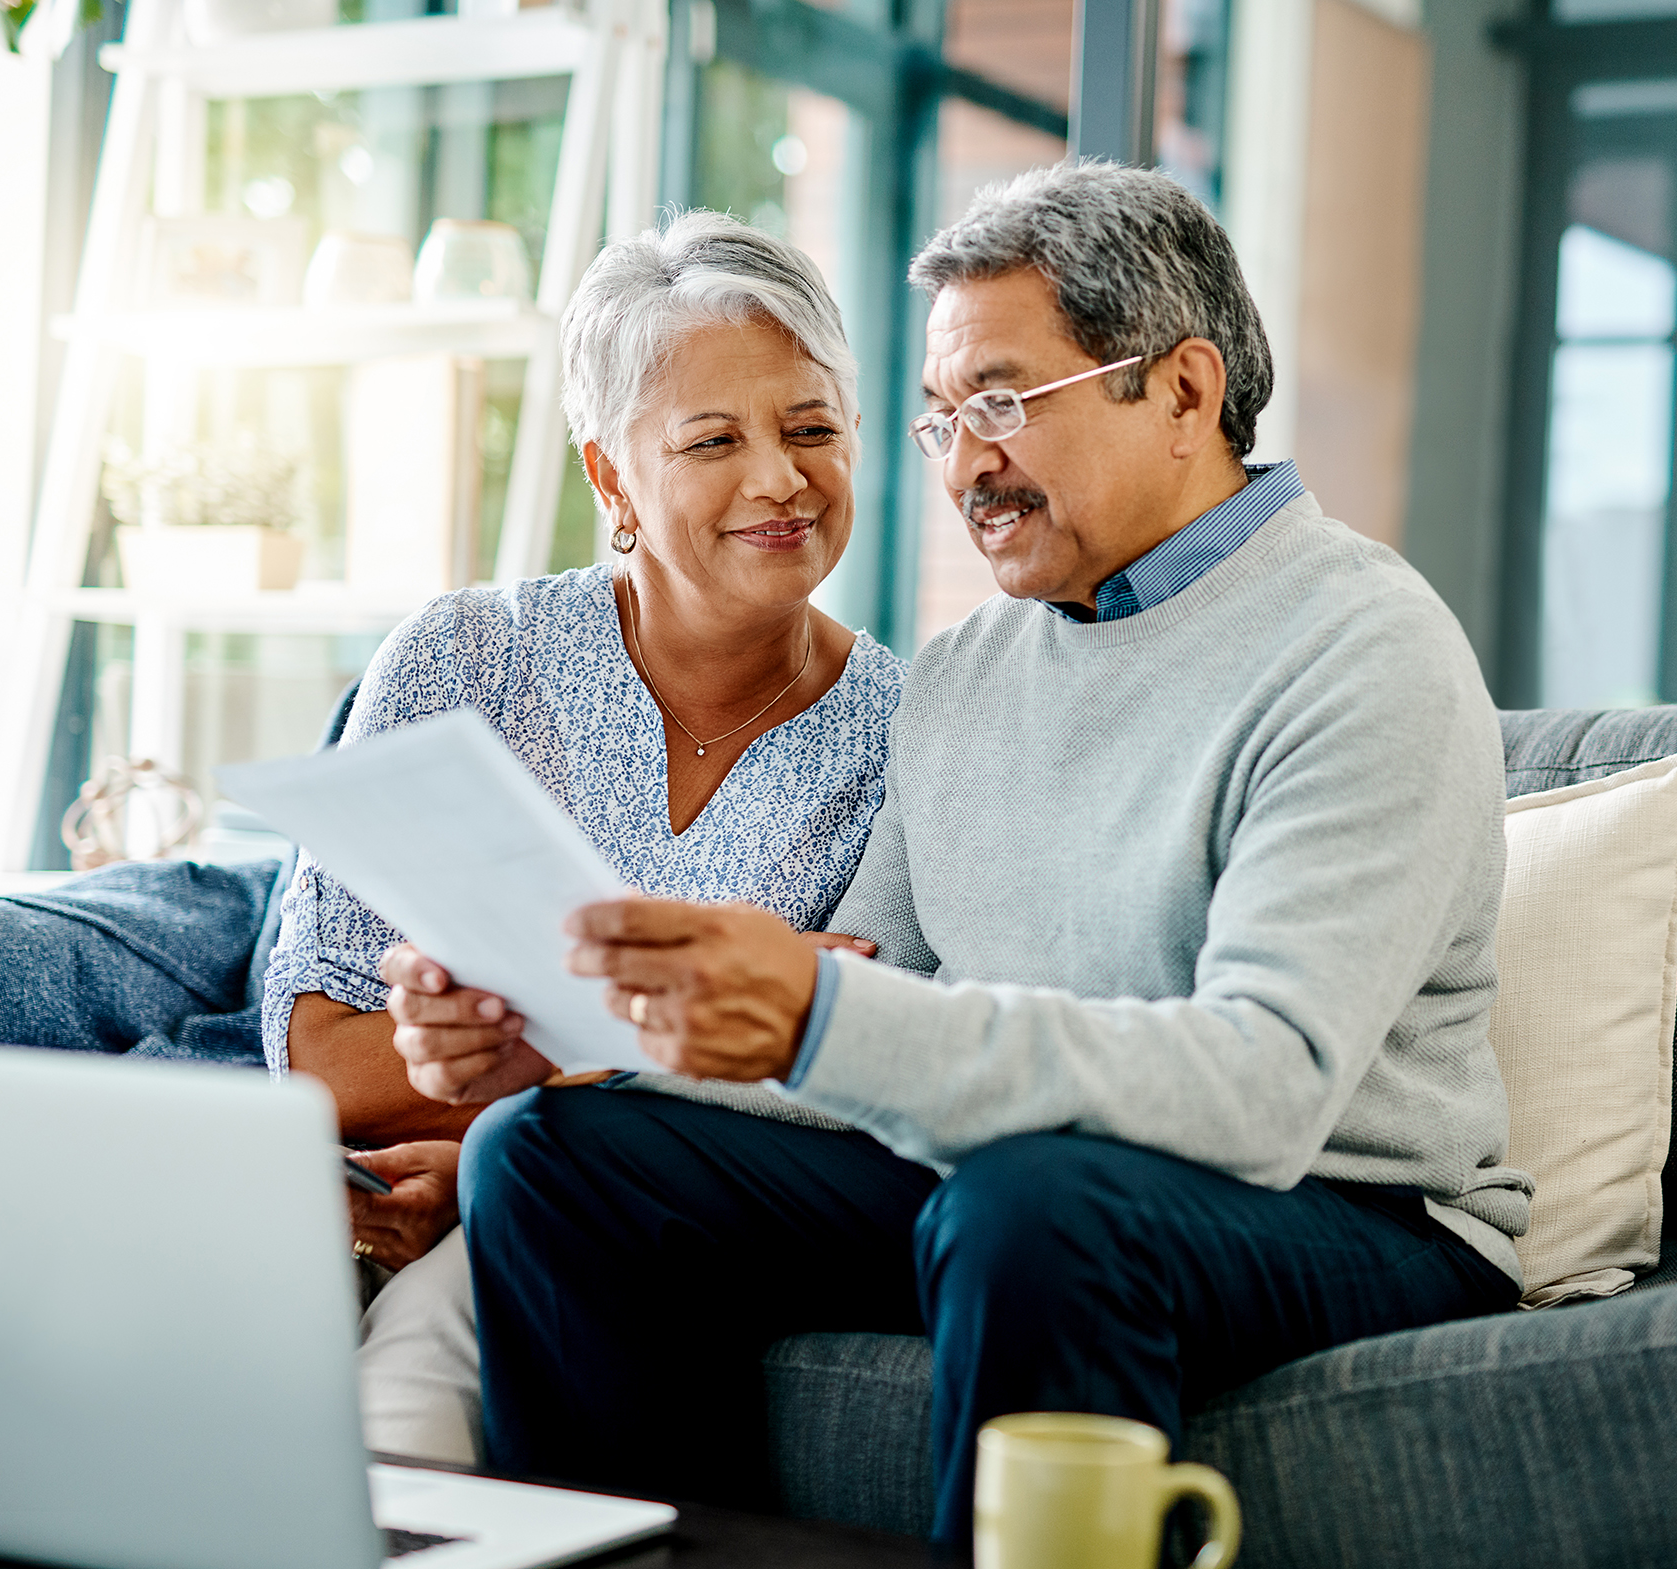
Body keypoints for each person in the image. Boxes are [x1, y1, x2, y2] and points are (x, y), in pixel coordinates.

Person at [389, 160, 1531, 1542]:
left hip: (1351, 1212)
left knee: (1032, 1205)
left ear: (1181, 390)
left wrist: (825, 1011)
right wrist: (593, 1037)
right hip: (1016, 1180)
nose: (966, 463)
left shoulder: (1361, 652)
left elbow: (1264, 1091)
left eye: (1002, 404)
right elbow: (871, 992)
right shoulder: (972, 669)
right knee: (556, 1156)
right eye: (938, 420)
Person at [260, 210, 903, 1463]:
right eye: (714, 440)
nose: (780, 478)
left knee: (411, 1400)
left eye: (812, 429)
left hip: (623, 1222)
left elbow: (836, 1077)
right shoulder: (464, 659)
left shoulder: (908, 734)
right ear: (611, 476)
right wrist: (541, 1113)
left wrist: (508, 1147)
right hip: (361, 1194)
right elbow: (321, 1059)